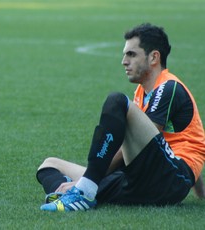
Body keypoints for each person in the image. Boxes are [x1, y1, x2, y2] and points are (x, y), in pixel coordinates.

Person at [36, 23, 205, 212]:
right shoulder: (141, 93)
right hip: (143, 180)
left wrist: (88, 179)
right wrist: (201, 192)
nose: (124, 61)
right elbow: (181, 141)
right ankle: (77, 191)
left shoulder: (169, 87)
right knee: (49, 165)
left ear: (154, 57)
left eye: (131, 54)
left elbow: (154, 147)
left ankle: (84, 191)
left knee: (117, 101)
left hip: (169, 180)